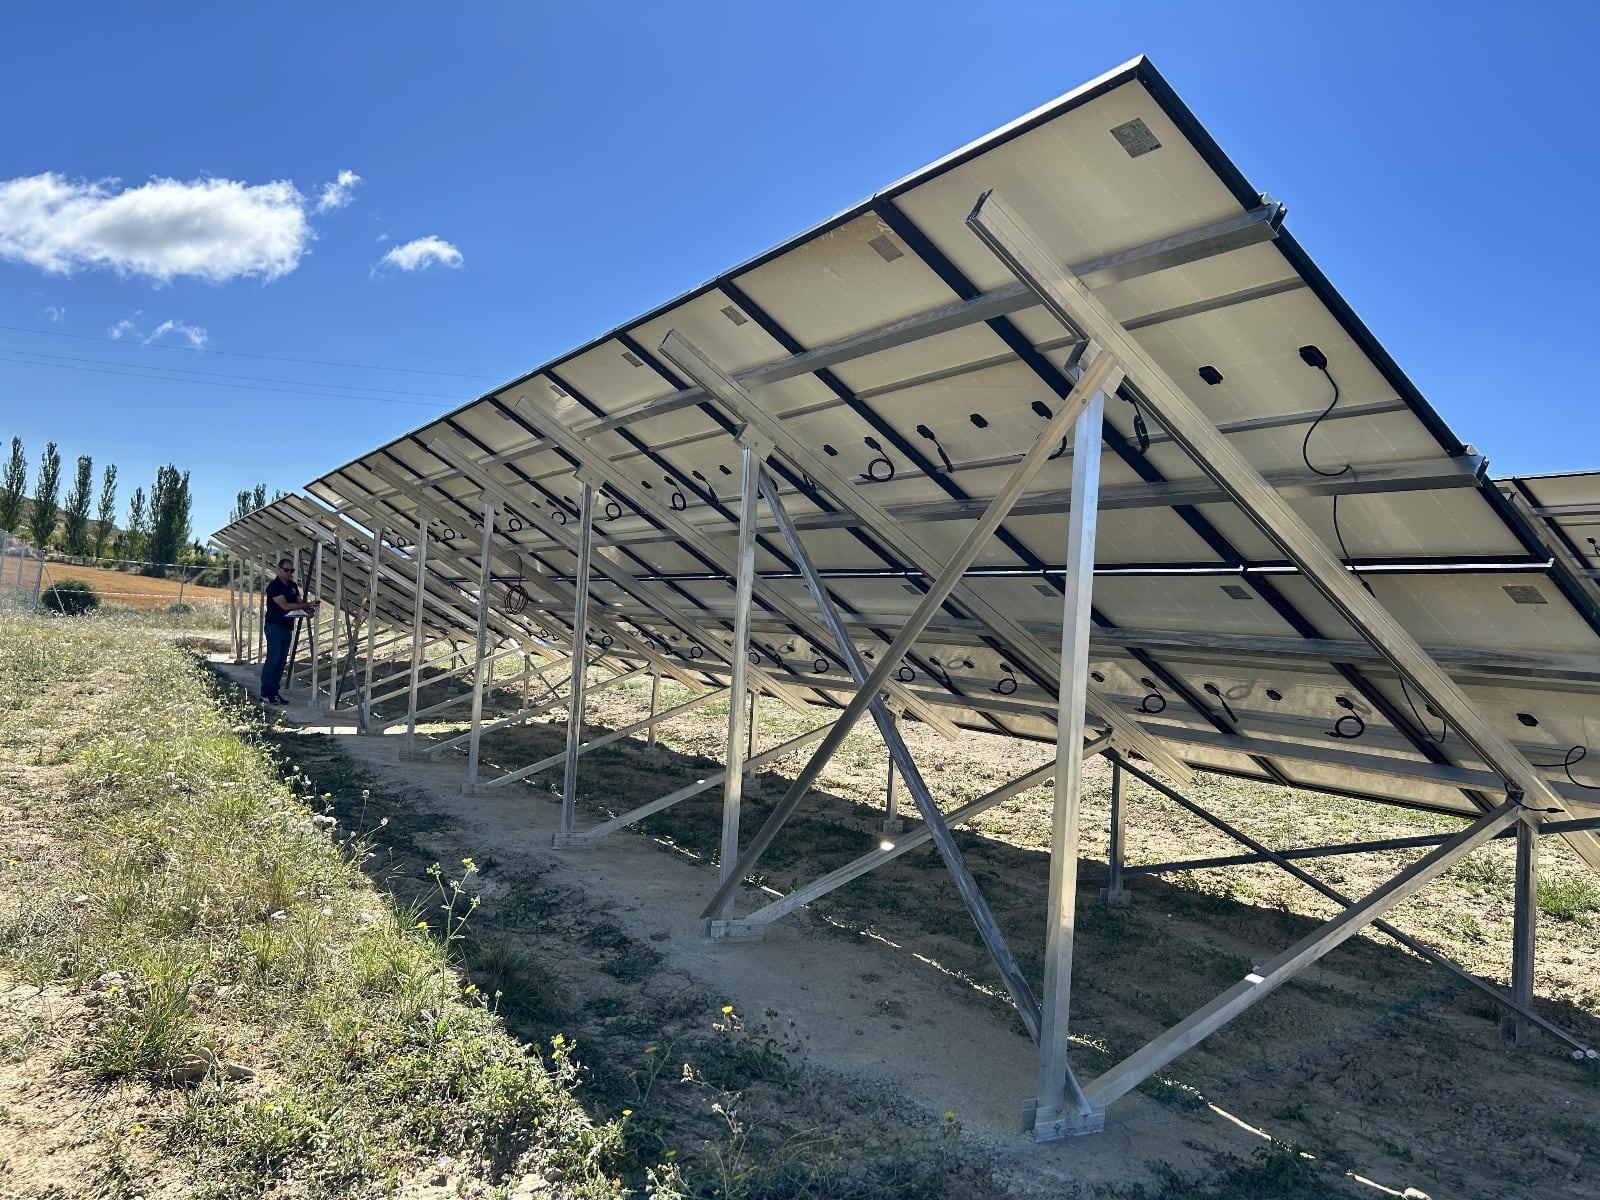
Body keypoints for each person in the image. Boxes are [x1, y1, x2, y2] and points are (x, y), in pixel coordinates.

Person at [261, 556, 318, 704]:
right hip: (274, 626)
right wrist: (306, 605)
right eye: (286, 570)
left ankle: (274, 693)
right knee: (272, 660)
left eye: (291, 570)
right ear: (279, 569)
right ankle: (265, 693)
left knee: (281, 662)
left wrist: (308, 610)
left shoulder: (292, 586)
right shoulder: (274, 587)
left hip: (287, 627)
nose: (289, 573)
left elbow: (298, 602)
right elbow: (285, 606)